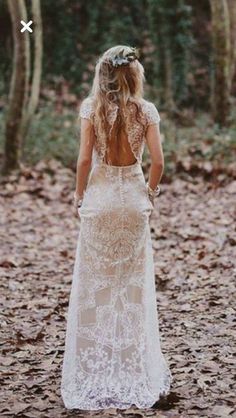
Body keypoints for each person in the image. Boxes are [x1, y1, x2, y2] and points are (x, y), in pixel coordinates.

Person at [61, 45, 172, 411]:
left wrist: (80, 197)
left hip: (101, 198)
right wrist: (150, 193)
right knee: (132, 286)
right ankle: (132, 366)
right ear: (134, 74)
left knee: (97, 284)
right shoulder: (146, 110)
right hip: (133, 201)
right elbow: (158, 161)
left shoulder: (91, 109)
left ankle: (96, 366)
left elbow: (82, 160)